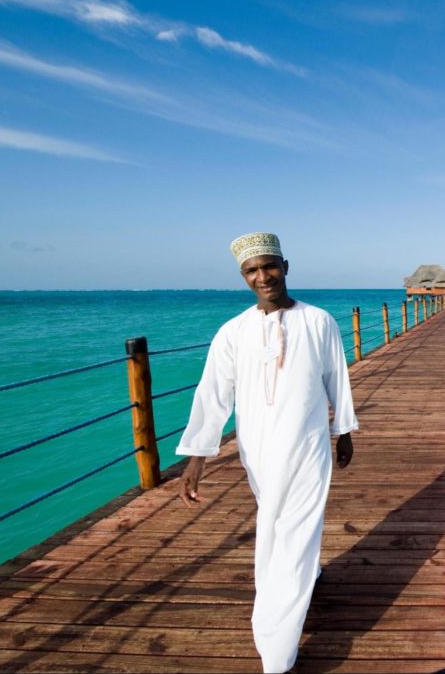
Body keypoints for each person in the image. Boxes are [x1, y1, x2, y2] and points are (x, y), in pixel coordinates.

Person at [175, 232, 358, 673]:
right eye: (251, 271)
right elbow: (213, 395)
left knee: (290, 536)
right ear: (243, 276)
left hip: (308, 445)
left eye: (268, 266)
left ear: (285, 266)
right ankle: (308, 574)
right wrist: (196, 458)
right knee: (275, 519)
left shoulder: (319, 321)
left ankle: (276, 648)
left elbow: (338, 377)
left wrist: (344, 429)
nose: (262, 277)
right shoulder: (233, 332)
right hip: (256, 451)